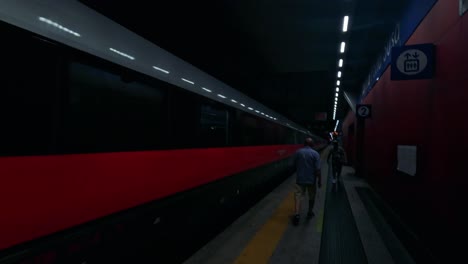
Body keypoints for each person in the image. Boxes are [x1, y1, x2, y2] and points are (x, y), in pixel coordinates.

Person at [291, 137, 322, 226]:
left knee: (298, 196)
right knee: (311, 196)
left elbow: (294, 165)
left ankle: (297, 214)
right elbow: (318, 170)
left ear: (304, 144)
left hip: (300, 179)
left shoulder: (298, 152)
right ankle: (310, 212)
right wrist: (319, 180)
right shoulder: (315, 154)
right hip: (311, 180)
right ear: (312, 144)